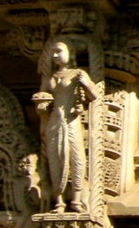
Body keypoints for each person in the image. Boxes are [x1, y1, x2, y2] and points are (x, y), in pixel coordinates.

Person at [34, 39, 100, 213]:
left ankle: (76, 200)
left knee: (77, 159)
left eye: (59, 51)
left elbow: (94, 95)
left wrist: (85, 84)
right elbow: (43, 98)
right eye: (53, 52)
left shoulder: (78, 74)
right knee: (55, 160)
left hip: (71, 121)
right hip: (55, 121)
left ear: (70, 53)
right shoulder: (51, 78)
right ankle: (59, 201)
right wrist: (41, 107)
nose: (55, 56)